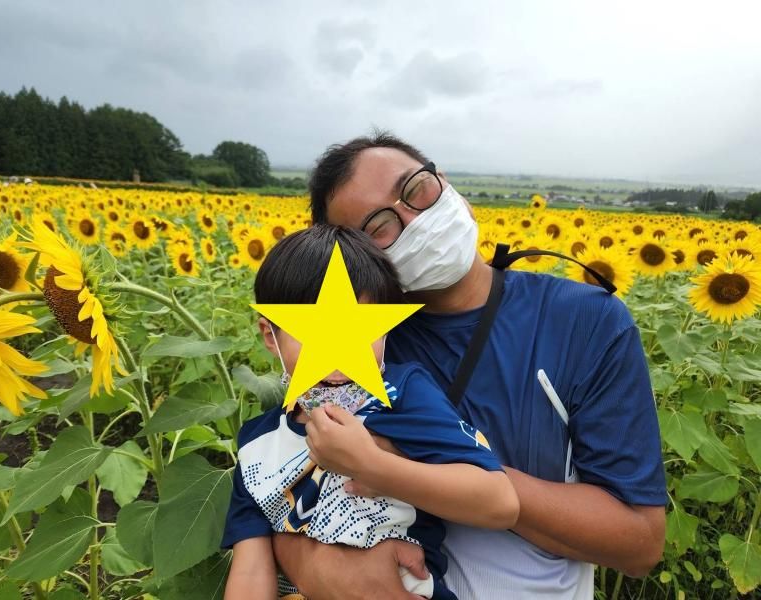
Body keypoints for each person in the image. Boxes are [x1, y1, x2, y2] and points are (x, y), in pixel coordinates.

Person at [271, 133, 667, 600]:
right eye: (377, 228)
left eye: (416, 189)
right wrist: (316, 567)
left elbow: (638, 541)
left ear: (444, 181)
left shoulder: (584, 320)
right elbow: (276, 484)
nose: (414, 219)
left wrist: (413, 467)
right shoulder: (355, 347)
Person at [222, 224, 520, 600]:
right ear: (270, 336)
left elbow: (498, 502)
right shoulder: (256, 445)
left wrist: (372, 466)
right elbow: (251, 569)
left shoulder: (403, 395)